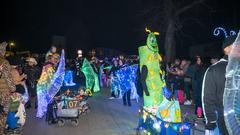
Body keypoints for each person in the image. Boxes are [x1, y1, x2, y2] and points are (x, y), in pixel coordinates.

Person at [202, 35, 236, 135]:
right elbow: (208, 97)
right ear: (227, 49)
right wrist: (211, 120)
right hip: (224, 119)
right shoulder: (214, 69)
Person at [0, 42, 16, 134]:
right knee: (3, 113)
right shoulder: (4, 62)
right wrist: (13, 89)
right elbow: (8, 78)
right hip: (3, 92)